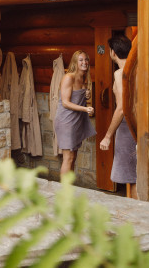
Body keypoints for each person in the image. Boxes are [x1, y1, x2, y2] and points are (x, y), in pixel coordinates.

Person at [99, 34, 137, 199]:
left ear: (113, 52)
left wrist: (107, 136)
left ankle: (134, 210)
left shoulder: (120, 73)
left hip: (127, 127)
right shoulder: (137, 70)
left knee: (132, 177)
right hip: (138, 125)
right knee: (134, 175)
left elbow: (121, 108)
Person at [54, 50, 95, 178]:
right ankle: (64, 189)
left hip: (76, 122)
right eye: (81, 60)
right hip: (66, 121)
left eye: (86, 59)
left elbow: (76, 97)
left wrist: (86, 94)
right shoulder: (69, 77)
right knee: (68, 157)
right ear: (75, 62)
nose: (84, 62)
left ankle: (69, 186)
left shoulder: (84, 78)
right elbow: (65, 103)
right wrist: (86, 109)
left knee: (74, 156)